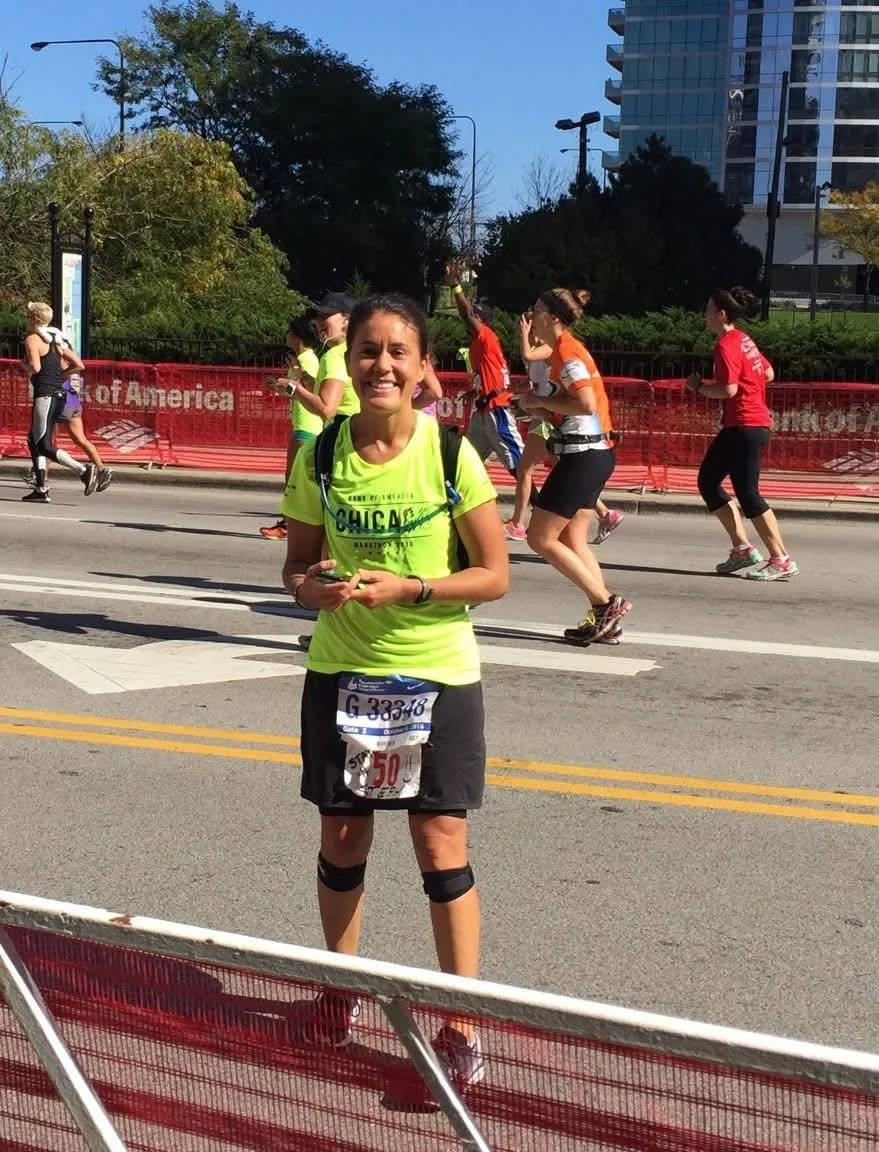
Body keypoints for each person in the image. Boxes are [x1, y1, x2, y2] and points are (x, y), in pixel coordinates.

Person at [280, 292, 508, 1090]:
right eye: (367, 351)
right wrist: (315, 591)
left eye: (396, 353)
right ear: (349, 362)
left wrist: (409, 589)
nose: (380, 364)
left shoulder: (450, 455)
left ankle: (459, 1022)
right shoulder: (322, 454)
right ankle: (338, 992)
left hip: (436, 671)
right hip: (342, 670)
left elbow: (494, 576)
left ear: (422, 370)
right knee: (342, 839)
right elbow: (296, 566)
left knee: (439, 840)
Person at [519, 288, 631, 645]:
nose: (531, 317)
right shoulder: (562, 351)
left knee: (539, 537)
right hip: (594, 453)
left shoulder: (566, 352)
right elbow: (575, 404)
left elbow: (584, 404)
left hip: (585, 456)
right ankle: (604, 617)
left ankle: (606, 603)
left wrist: (538, 400)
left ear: (553, 317)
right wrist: (542, 409)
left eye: (536, 311)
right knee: (572, 539)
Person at [688, 288, 798, 581]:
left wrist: (698, 387)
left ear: (721, 314)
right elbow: (769, 373)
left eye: (708, 307)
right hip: (745, 425)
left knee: (748, 494)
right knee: (708, 481)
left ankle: (781, 558)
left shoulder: (726, 344)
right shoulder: (744, 339)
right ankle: (742, 550)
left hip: (745, 425)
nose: (705, 313)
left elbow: (728, 390)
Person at [261, 294, 358, 541]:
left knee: (315, 499)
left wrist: (295, 389)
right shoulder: (356, 350)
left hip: (338, 434)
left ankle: (308, 552)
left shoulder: (334, 356)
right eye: (318, 317)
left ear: (346, 320)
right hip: (359, 433)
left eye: (327, 317)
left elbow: (327, 408)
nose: (319, 322)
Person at [445, 262, 523, 478]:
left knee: (517, 463)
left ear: (483, 321)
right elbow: (487, 375)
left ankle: (540, 504)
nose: (471, 318)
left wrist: (456, 287)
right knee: (465, 459)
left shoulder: (486, 336)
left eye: (476, 316)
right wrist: (475, 391)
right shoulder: (478, 345)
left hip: (496, 408)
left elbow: (466, 314)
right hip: (484, 408)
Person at [20, 302, 98, 504]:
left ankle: (83, 470)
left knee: (43, 445)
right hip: (57, 393)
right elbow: (79, 364)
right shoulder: (56, 339)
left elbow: (36, 367)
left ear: (34, 319)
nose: (25, 318)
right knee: (34, 440)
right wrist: (60, 375)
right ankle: (41, 488)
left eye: (28, 315)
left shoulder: (32, 339)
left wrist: (24, 365)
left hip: (44, 394)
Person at [260, 312, 321, 540]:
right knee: (295, 478)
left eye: (289, 332)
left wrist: (297, 377)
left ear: (297, 336)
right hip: (303, 424)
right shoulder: (301, 360)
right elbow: (294, 390)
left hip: (308, 425)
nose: (286, 336)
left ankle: (289, 525)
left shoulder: (308, 361)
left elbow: (313, 388)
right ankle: (292, 523)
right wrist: (277, 386)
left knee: (295, 479)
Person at [504, 311, 554, 541]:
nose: (523, 332)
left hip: (549, 418)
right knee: (556, 470)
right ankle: (604, 512)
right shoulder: (535, 354)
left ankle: (518, 522)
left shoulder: (548, 348)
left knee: (525, 469)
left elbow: (528, 354)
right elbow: (536, 384)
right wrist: (520, 400)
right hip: (540, 416)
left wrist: (525, 335)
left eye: (527, 327)